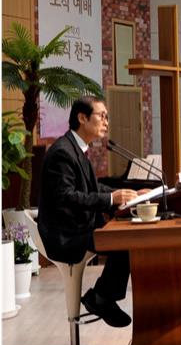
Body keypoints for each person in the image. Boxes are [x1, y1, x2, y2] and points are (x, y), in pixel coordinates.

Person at [38, 96, 143, 328]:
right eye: (101, 116)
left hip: (77, 226)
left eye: (107, 117)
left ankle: (101, 297)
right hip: (65, 234)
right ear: (82, 118)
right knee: (124, 239)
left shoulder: (76, 148)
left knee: (128, 236)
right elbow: (66, 197)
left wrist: (130, 194)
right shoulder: (62, 152)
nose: (106, 121)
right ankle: (101, 298)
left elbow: (91, 188)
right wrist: (111, 199)